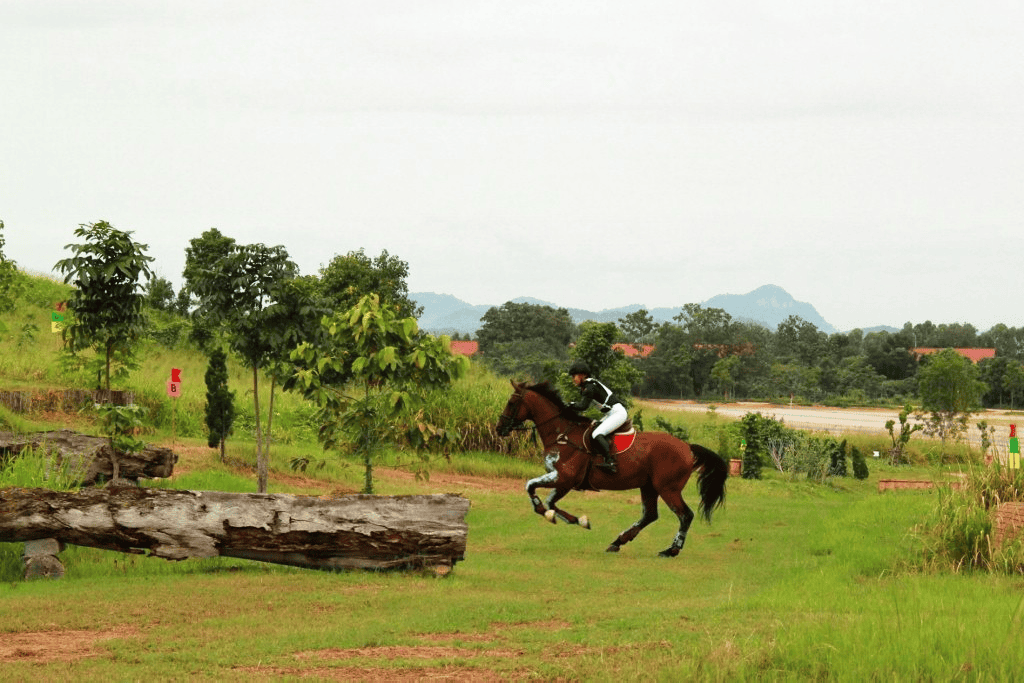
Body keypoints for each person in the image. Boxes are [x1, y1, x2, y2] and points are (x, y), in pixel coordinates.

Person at [567, 359, 626, 473]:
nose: (573, 379)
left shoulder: (590, 387)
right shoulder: (588, 386)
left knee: (597, 433)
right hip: (610, 413)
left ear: (582, 375)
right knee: (592, 429)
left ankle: (610, 462)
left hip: (617, 413)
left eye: (574, 376)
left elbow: (583, 406)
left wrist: (570, 405)